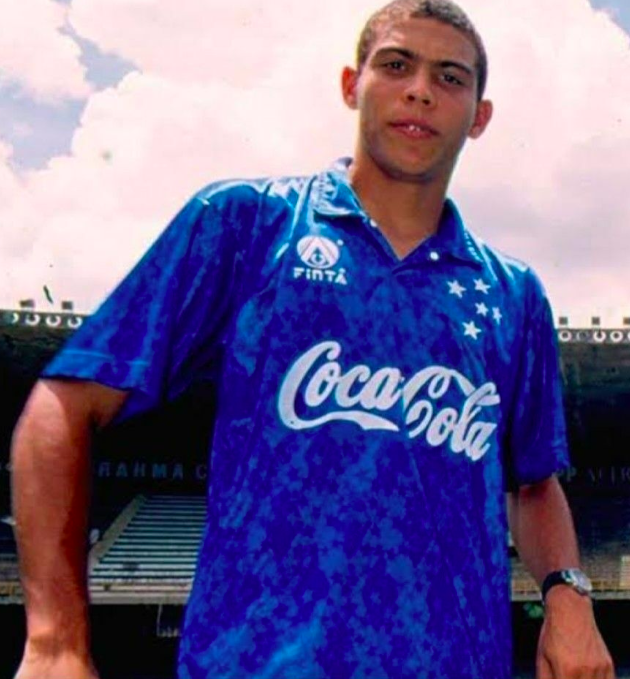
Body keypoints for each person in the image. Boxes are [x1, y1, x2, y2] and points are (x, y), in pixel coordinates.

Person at [10, 1, 615, 678]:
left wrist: (569, 594)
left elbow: (532, 482)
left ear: (479, 116)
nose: (420, 88)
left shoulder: (512, 292)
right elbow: (58, 408)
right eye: (396, 65)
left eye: (450, 77)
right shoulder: (246, 225)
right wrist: (55, 641)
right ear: (351, 85)